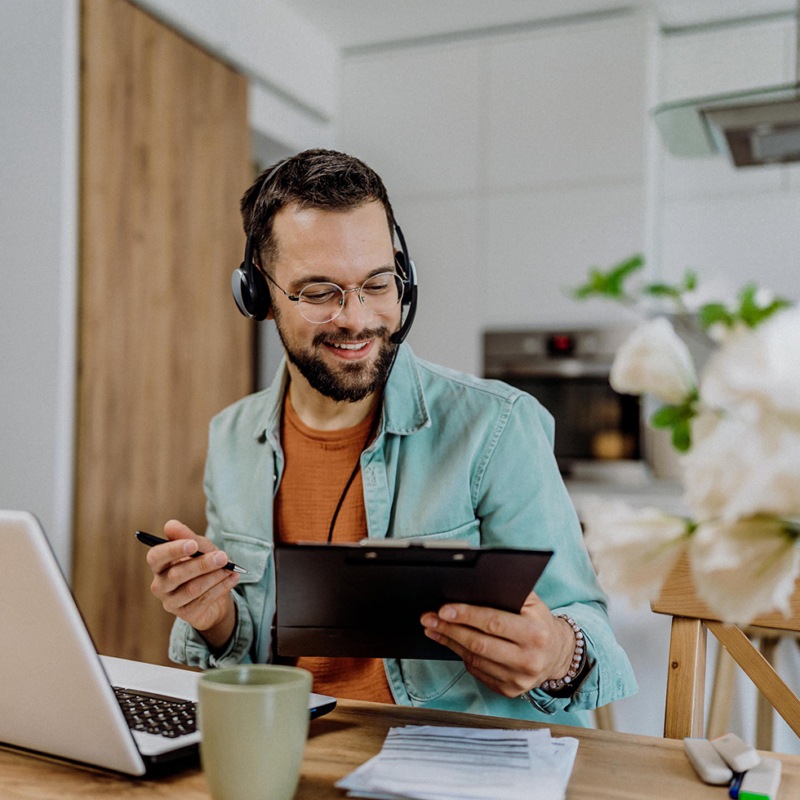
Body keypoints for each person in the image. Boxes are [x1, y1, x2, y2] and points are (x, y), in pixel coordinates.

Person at [146, 149, 636, 726]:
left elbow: (589, 632)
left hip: (456, 761)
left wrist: (556, 651)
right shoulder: (232, 437)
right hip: (293, 746)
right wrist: (214, 617)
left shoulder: (499, 426)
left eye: (377, 283)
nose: (357, 318)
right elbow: (253, 657)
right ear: (258, 295)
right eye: (320, 292)